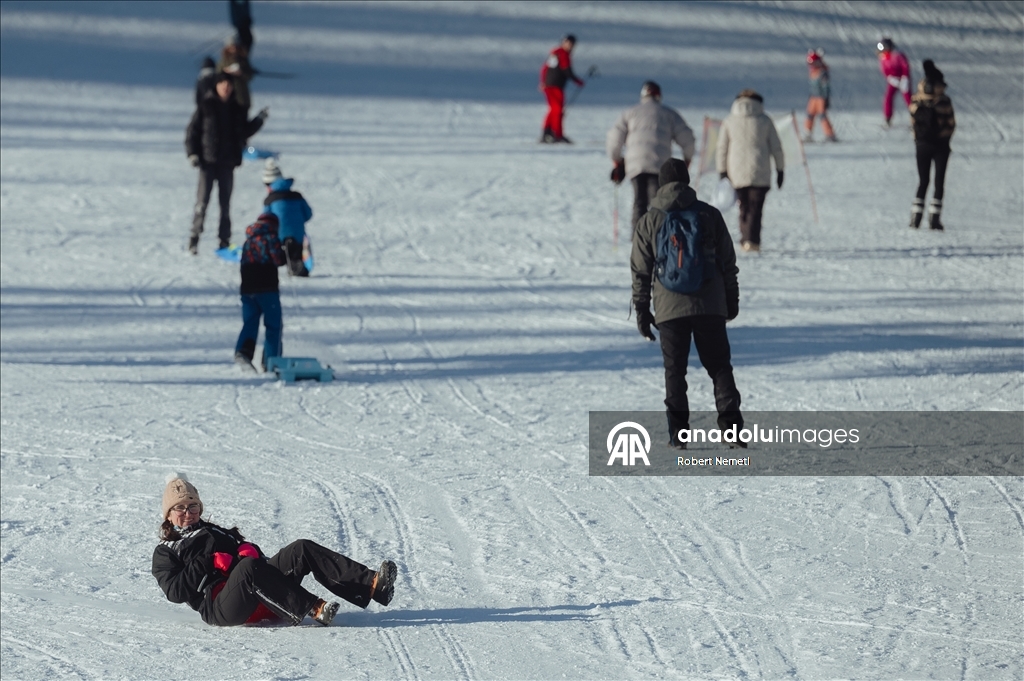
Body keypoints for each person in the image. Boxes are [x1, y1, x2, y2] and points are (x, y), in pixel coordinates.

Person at [152, 474, 397, 627]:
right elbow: (175, 592)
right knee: (248, 568)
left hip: (263, 590)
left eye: (193, 506)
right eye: (180, 508)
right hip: (222, 607)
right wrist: (209, 562)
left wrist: (249, 549)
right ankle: (314, 608)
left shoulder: (215, 531)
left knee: (300, 548)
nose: (188, 513)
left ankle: (372, 586)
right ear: (168, 514)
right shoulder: (166, 551)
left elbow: (251, 555)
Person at [631, 159, 742, 449]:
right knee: (719, 367)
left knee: (675, 372)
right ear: (687, 181)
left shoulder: (649, 220)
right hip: (710, 305)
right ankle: (732, 431)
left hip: (669, 309)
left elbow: (640, 271)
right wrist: (731, 300)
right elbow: (728, 263)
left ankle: (679, 436)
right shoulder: (710, 214)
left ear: (661, 184)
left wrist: (642, 310)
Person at [185, 72, 267, 254]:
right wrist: (193, 154)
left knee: (225, 205)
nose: (226, 88)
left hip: (227, 163)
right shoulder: (206, 106)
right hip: (207, 162)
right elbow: (192, 132)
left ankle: (224, 241)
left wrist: (259, 120)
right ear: (216, 86)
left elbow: (244, 131)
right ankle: (194, 238)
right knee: (202, 203)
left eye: (229, 85)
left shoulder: (236, 109)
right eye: (222, 84)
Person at [606, 81, 696, 238]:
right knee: (658, 202)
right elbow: (687, 138)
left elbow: (614, 137)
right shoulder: (669, 114)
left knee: (639, 202)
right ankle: (657, 236)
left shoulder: (630, 113)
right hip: (659, 164)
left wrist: (616, 158)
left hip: (635, 165)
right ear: (659, 96)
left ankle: (638, 238)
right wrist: (688, 158)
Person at [715, 89, 784, 252]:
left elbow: (721, 148)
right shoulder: (765, 120)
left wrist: (722, 171)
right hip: (760, 170)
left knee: (744, 207)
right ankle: (752, 241)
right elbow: (776, 147)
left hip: (735, 171)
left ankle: (746, 239)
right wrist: (780, 169)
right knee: (756, 207)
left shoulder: (729, 121)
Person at [235, 212, 286, 371]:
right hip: (267, 287)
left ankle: (243, 352)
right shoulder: (271, 237)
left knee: (250, 322)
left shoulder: (248, 241)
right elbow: (279, 259)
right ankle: (271, 360)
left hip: (247, 289)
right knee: (273, 325)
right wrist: (287, 249)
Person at [908, 60, 956, 230]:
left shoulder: (916, 101)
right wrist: (944, 137)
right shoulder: (944, 101)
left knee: (923, 181)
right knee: (939, 182)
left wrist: (918, 139)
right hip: (941, 146)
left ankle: (916, 217)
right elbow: (951, 124)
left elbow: (913, 123)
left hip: (922, 146)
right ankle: (934, 219)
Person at [262, 159, 313, 277]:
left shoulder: (269, 200)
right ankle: (297, 266)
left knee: (275, 250)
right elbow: (308, 214)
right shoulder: (297, 196)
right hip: (298, 234)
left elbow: (265, 221)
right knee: (296, 253)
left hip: (278, 236)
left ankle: (275, 264)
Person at [539, 34, 584, 144]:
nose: (569, 46)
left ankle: (547, 133)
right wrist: (577, 81)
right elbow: (566, 70)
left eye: (571, 44)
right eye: (568, 43)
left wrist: (543, 82)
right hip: (555, 86)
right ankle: (557, 134)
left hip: (550, 86)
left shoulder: (556, 54)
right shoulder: (563, 54)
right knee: (557, 110)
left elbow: (545, 69)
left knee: (553, 110)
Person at [876, 37, 912, 127]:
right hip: (893, 80)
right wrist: (890, 78)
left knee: (909, 99)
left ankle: (916, 118)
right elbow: (884, 69)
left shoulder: (898, 55)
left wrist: (905, 78)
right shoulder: (883, 57)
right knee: (888, 97)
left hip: (903, 79)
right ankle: (888, 118)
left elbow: (905, 66)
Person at [804, 48, 837, 142]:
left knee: (822, 115)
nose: (811, 66)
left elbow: (826, 86)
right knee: (810, 115)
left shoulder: (822, 72)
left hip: (821, 97)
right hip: (813, 97)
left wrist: (826, 99)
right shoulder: (813, 72)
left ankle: (830, 134)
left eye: (813, 63)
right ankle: (808, 133)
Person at [219, 34, 255, 111]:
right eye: (232, 46)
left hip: (241, 96)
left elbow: (249, 76)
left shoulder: (243, 61)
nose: (234, 49)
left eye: (236, 46)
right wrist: (225, 72)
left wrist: (241, 73)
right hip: (227, 98)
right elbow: (217, 76)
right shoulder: (223, 61)